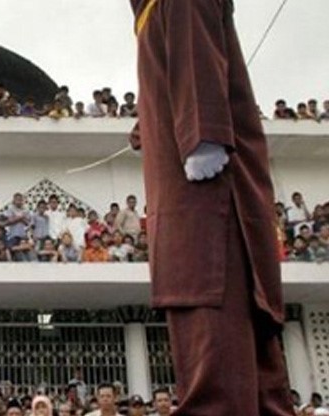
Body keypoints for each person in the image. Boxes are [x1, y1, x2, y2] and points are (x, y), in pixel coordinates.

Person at [129, 1, 294, 415]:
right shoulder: (148, 12)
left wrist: (201, 134)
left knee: (217, 367)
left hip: (205, 209)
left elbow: (195, 58)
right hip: (190, 211)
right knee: (249, 372)